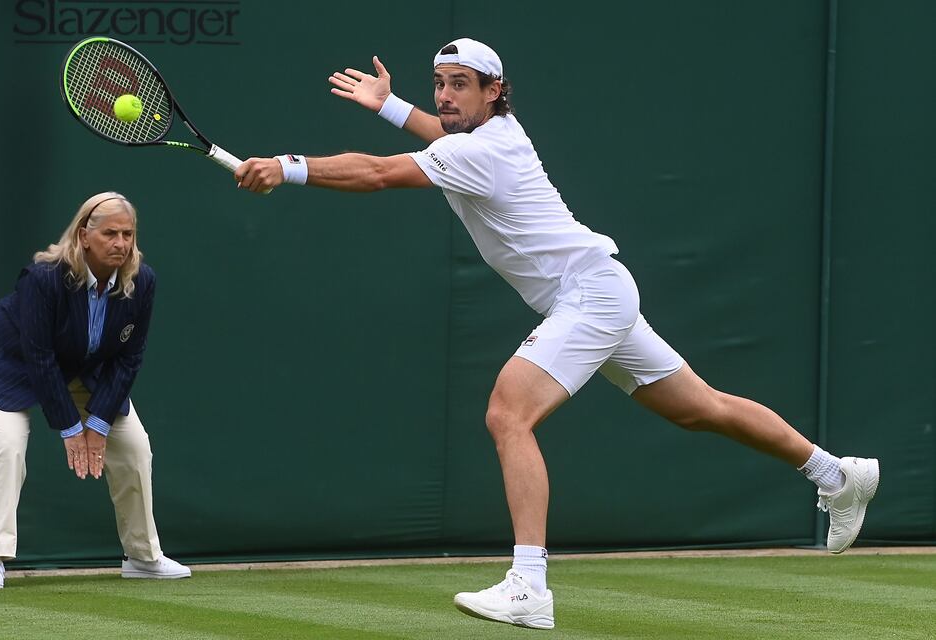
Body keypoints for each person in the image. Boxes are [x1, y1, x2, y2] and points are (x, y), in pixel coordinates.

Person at [235, 38, 879, 630]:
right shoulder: (491, 135)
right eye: (439, 83)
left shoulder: (478, 150)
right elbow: (438, 134)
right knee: (699, 409)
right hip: (600, 291)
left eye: (461, 84)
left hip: (590, 297)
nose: (445, 96)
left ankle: (529, 585)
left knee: (507, 413)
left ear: (495, 91)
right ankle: (835, 473)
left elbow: (376, 173)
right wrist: (391, 105)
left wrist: (287, 167)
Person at [0, 192, 190, 589]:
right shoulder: (45, 277)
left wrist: (99, 423)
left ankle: (142, 556)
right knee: (8, 444)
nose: (121, 243)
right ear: (84, 235)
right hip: (8, 360)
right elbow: (38, 356)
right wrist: (71, 429)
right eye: (110, 234)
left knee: (135, 445)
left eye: (128, 234)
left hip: (86, 367)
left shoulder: (142, 281)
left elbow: (128, 358)